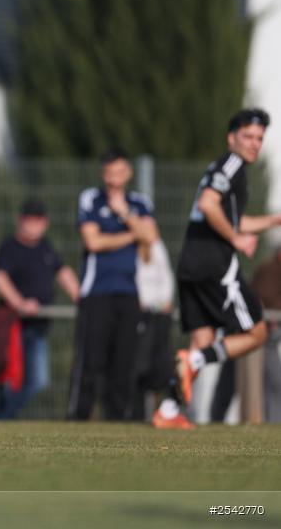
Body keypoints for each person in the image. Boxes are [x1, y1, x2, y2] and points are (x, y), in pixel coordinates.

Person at [156, 109, 281, 428]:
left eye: (259, 138)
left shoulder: (223, 168)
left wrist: (271, 221)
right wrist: (237, 239)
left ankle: (168, 411)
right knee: (256, 333)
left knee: (202, 340)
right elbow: (209, 205)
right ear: (232, 138)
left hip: (191, 263)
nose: (254, 144)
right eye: (248, 137)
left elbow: (229, 218)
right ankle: (194, 362)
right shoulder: (233, 164)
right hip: (215, 265)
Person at [68, 147, 159, 421]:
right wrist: (132, 235)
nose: (114, 180)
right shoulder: (91, 199)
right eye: (109, 174)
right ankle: (78, 415)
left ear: (128, 172)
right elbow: (93, 242)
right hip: (97, 292)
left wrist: (125, 215)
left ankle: (118, 417)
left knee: (124, 361)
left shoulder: (139, 203)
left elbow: (151, 236)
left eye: (119, 173)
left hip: (131, 293)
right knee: (91, 360)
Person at [0, 197, 79, 419]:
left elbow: (64, 273)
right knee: (9, 380)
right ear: (21, 220)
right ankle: (0, 419)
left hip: (38, 326)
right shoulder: (10, 247)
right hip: (12, 325)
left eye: (39, 220)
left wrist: (82, 299)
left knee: (38, 381)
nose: (35, 225)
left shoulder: (46, 247)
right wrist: (20, 303)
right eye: (31, 220)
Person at [131, 238, 177, 423]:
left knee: (163, 366)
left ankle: (168, 411)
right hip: (140, 315)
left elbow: (166, 276)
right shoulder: (130, 248)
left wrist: (165, 301)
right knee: (138, 367)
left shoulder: (157, 246)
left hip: (159, 315)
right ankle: (136, 414)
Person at [252, 248, 281, 423]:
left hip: (268, 334)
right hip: (266, 334)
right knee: (275, 382)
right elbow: (266, 299)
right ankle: (274, 421)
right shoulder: (269, 270)